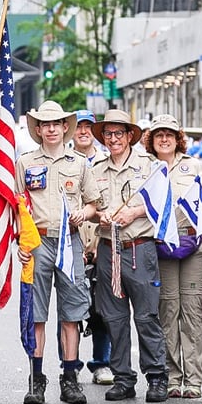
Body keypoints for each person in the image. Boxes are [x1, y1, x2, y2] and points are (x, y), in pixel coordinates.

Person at [14, 101, 98, 404]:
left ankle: (70, 378)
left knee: (71, 315)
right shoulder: (25, 163)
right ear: (37, 129)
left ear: (66, 127)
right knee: (36, 315)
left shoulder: (79, 163)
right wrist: (20, 245)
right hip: (37, 245)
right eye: (44, 124)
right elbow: (17, 208)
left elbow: (94, 204)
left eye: (56, 123)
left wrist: (82, 214)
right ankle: (36, 379)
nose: (51, 129)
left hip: (70, 243)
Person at [89, 109, 168, 403]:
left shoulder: (149, 166)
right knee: (114, 317)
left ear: (130, 136)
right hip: (109, 249)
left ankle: (157, 376)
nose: (113, 139)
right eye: (108, 134)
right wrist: (101, 216)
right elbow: (89, 206)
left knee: (147, 315)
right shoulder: (95, 168)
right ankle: (123, 377)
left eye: (118, 134)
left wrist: (134, 212)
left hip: (139, 247)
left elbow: (163, 202)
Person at [145, 115, 202, 400]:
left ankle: (194, 380)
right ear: (152, 139)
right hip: (161, 246)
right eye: (159, 134)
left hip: (193, 247)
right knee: (168, 311)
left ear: (178, 138)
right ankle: (172, 377)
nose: (164, 139)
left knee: (191, 313)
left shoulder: (193, 165)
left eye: (170, 134)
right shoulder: (147, 167)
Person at [72, 110, 111, 385]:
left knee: (103, 309)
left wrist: (98, 243)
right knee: (70, 308)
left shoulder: (108, 162)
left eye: (88, 127)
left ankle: (102, 363)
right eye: (78, 127)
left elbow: (109, 208)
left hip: (102, 244)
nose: (83, 131)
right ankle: (70, 363)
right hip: (71, 245)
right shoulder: (63, 160)